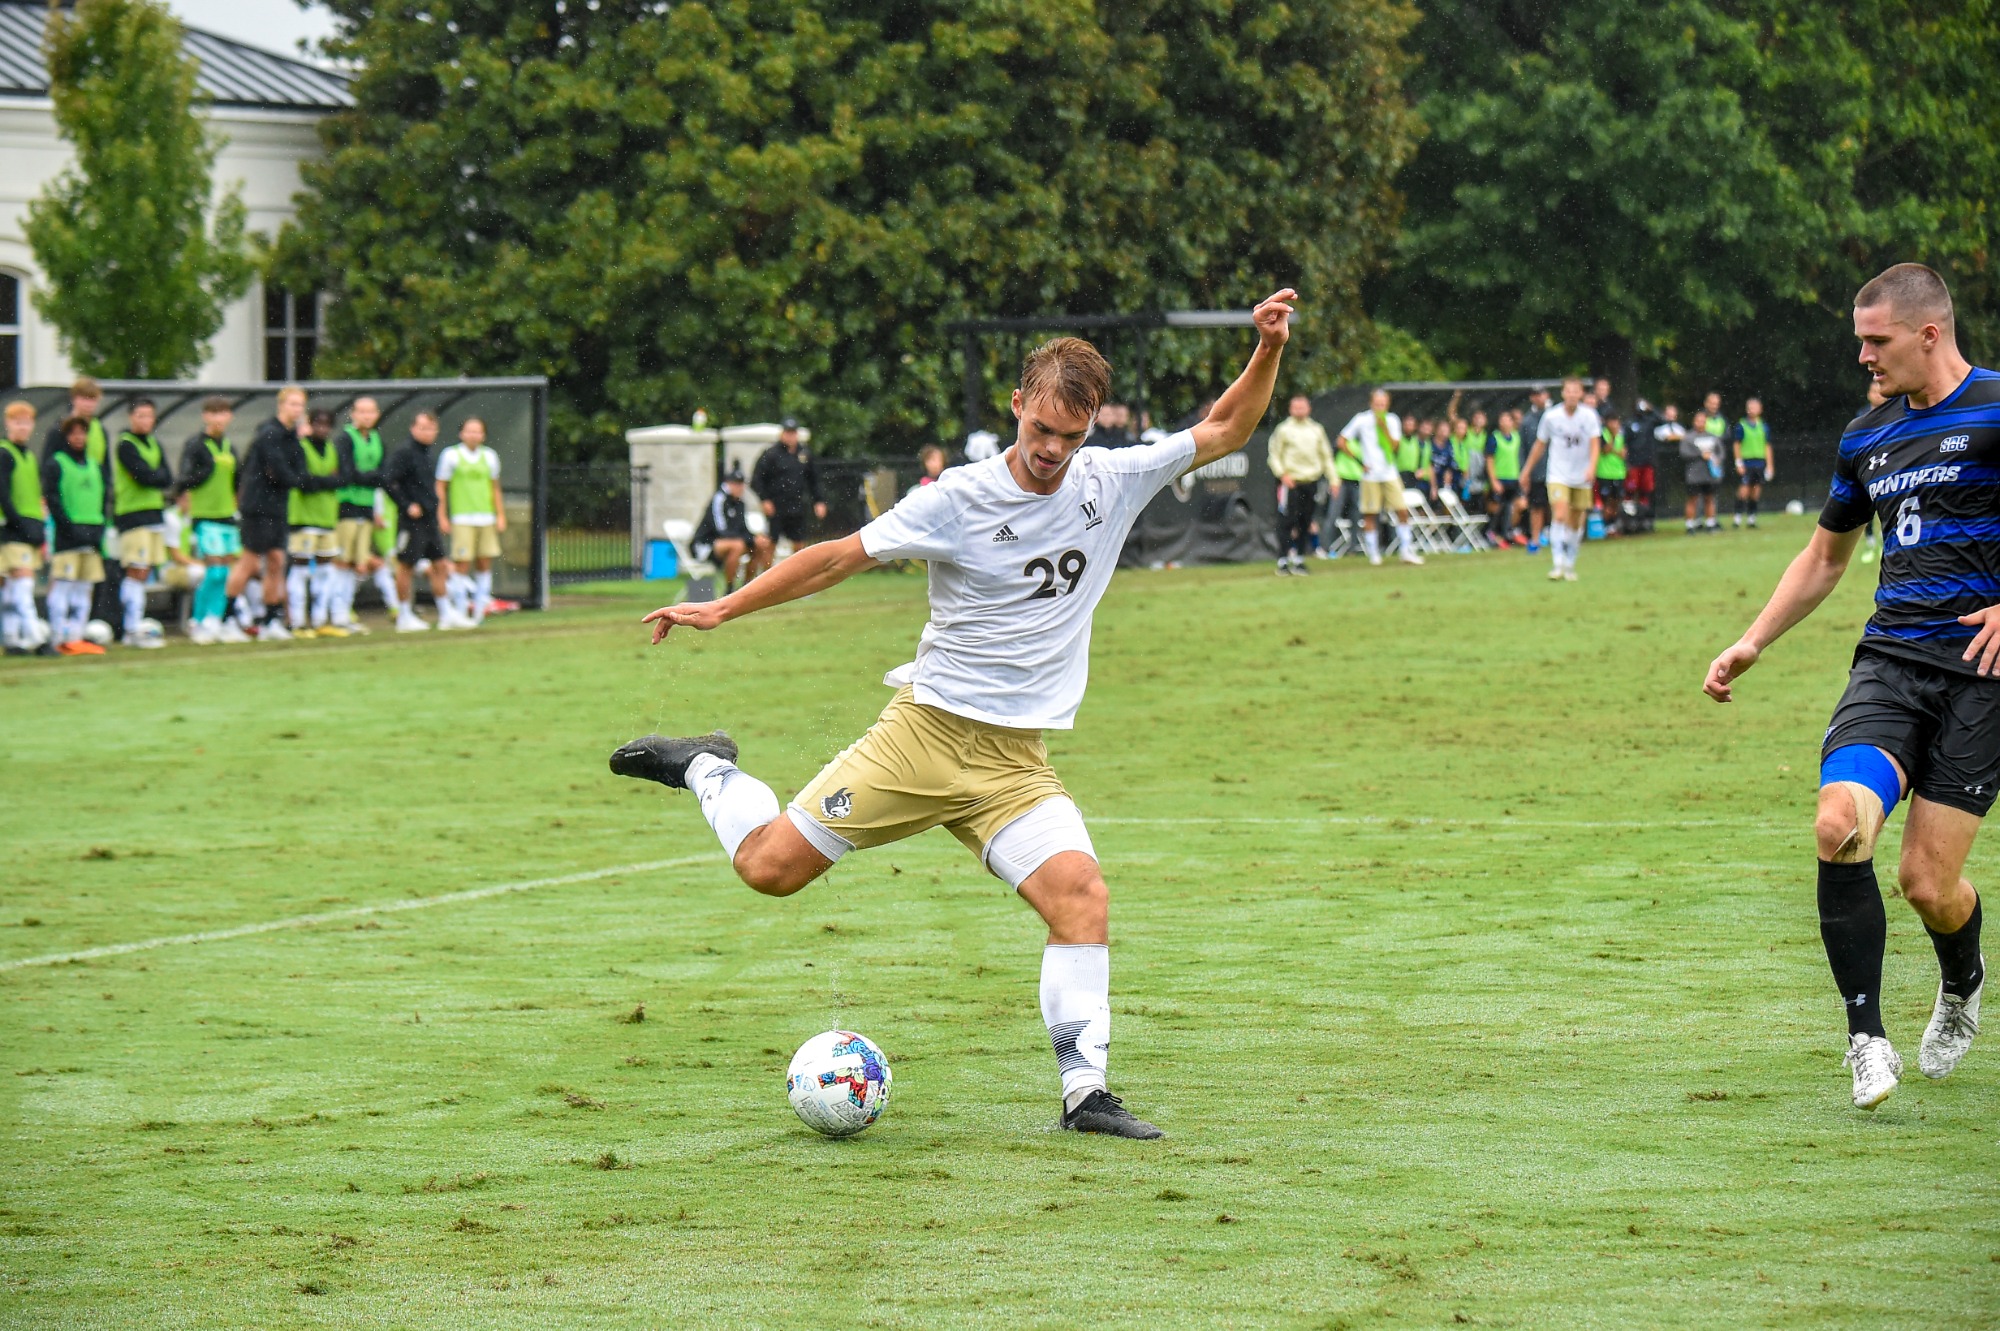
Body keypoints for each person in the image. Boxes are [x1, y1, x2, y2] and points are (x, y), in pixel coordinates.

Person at [611, 289, 1300, 1140]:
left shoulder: (1111, 479)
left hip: (1013, 766)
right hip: (924, 738)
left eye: (1070, 437)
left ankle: (1086, 1096)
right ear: (1017, 405)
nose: (1051, 451)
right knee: (769, 869)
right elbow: (836, 557)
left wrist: (1265, 348)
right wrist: (721, 607)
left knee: (1081, 898)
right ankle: (707, 764)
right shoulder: (958, 497)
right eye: (1040, 429)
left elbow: (1228, 428)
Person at [1703, 262, 1989, 1110]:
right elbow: (1826, 555)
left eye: (1877, 340)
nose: (1863, 356)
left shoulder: (1997, 408)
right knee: (1836, 823)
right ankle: (1866, 1037)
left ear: (1928, 334)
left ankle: (1963, 982)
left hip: (1982, 679)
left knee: (1928, 885)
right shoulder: (1867, 435)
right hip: (1891, 663)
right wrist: (1753, 639)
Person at [231, 385, 312, 642]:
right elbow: (280, 472)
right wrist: (293, 477)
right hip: (257, 506)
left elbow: (300, 471)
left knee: (277, 560)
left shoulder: (293, 437)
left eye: (300, 405)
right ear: (281, 406)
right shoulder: (268, 433)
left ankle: (269, 621)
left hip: (278, 506)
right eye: (292, 404)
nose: (296, 409)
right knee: (249, 561)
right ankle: (225, 619)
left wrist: (295, 475)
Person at [176, 396, 248, 645]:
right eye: (213, 414)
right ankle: (198, 620)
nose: (218, 419)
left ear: (229, 417)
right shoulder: (195, 445)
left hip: (226, 515)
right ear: (205, 416)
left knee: (225, 574)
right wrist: (201, 474)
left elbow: (237, 482)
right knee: (214, 571)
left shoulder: (229, 446)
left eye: (223, 414)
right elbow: (184, 478)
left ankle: (217, 620)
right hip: (205, 515)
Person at [1518, 377, 1601, 581]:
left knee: (1575, 522)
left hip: (1581, 476)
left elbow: (1595, 444)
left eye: (1576, 391)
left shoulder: (1589, 416)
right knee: (1560, 514)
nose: (1572, 394)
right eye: (1568, 390)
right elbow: (1539, 444)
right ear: (1563, 393)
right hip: (1557, 475)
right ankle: (1557, 564)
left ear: (1581, 394)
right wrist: (1526, 470)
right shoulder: (1551, 416)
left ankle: (1570, 564)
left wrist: (1591, 467)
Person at [41, 416, 106, 656]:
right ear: (65, 436)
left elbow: (102, 499)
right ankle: (58, 635)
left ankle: (76, 637)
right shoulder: (56, 464)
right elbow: (53, 499)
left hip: (91, 534)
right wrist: (68, 526)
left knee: (83, 589)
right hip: (68, 536)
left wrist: (98, 529)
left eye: (82, 433)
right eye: (74, 433)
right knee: (63, 587)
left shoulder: (94, 465)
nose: (79, 438)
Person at [110, 399, 173, 649]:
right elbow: (144, 475)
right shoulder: (125, 445)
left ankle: (134, 626)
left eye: (149, 416)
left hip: (153, 514)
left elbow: (166, 477)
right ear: (131, 417)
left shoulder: (155, 444)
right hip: (133, 514)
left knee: (144, 572)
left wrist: (154, 477)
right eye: (140, 415)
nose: (145, 420)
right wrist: (154, 477)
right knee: (135, 570)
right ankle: (130, 628)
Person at [1337, 389, 1424, 566]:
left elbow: (1395, 447)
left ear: (1388, 404)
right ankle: (1374, 554)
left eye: (1383, 404)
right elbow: (1341, 440)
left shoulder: (1392, 420)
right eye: (1377, 403)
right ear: (1371, 403)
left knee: (1401, 510)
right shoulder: (1361, 419)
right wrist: (1360, 462)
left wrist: (1383, 427)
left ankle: (1406, 551)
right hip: (1370, 476)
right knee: (1370, 514)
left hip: (1390, 473)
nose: (1380, 407)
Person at [383, 410, 452, 632]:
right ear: (413, 428)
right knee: (406, 566)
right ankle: (403, 616)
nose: (427, 432)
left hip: (430, 519)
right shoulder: (404, 453)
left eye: (431, 428)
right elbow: (388, 480)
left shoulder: (429, 454)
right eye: (422, 428)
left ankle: (445, 614)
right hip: (411, 521)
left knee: (440, 564)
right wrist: (406, 505)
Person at [435, 416, 505, 627]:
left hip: (486, 517)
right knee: (461, 564)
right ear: (461, 433)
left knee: (484, 562)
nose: (474, 435)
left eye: (478, 431)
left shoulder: (490, 456)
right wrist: (442, 516)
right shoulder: (451, 455)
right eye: (469, 431)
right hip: (462, 517)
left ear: (483, 435)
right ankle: (460, 609)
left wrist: (499, 515)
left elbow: (495, 487)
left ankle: (479, 610)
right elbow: (441, 487)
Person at [330, 396, 388, 633]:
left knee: (359, 563)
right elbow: (348, 473)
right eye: (361, 412)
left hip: (366, 507)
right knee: (342, 561)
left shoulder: (376, 439)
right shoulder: (345, 439)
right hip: (347, 506)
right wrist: (372, 478)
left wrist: (372, 479)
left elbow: (384, 471)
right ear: (353, 414)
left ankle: (345, 611)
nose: (366, 416)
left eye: (370, 412)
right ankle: (336, 613)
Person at [286, 409, 344, 635]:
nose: (323, 429)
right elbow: (302, 481)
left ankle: (320, 620)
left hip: (326, 517)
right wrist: (327, 481)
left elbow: (341, 478)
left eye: (327, 425)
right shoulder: (301, 447)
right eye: (318, 424)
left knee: (326, 570)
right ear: (310, 424)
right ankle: (298, 622)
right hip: (303, 517)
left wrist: (322, 481)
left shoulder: (331, 448)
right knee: (300, 570)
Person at [0, 401, 50, 654]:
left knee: (10, 586)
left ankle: (11, 639)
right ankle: (36, 639)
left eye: (27, 422)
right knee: (23, 584)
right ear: (8, 423)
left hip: (27, 526)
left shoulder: (29, 456)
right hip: (11, 528)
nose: (22, 427)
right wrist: (18, 523)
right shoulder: (3, 452)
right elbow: (3, 494)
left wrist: (37, 525)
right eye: (17, 421)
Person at [1267, 394, 1334, 576]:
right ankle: (1282, 560)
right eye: (1296, 407)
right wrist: (1283, 475)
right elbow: (1274, 454)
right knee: (1287, 521)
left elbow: (1325, 455)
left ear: (1308, 409)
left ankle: (1299, 559)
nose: (1299, 411)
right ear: (1290, 409)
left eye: (1302, 407)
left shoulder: (1316, 430)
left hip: (1310, 481)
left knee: (1305, 520)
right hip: (1290, 482)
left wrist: (1333, 479)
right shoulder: (1284, 430)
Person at [749, 419, 826, 553]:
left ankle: (797, 572)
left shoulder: (804, 454)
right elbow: (757, 480)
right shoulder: (771, 454)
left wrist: (819, 501)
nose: (790, 436)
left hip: (797, 505)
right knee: (770, 542)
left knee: (799, 542)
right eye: (787, 433)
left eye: (793, 433)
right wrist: (764, 499)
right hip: (776, 506)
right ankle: (769, 572)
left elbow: (814, 479)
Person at [691, 464, 769, 592]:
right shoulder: (719, 499)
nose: (740, 488)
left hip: (730, 541)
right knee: (737, 545)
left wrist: (753, 539)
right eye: (736, 484)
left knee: (760, 545)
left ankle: (746, 587)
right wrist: (749, 539)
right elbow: (721, 530)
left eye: (741, 484)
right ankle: (730, 589)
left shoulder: (740, 503)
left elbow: (742, 528)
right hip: (706, 544)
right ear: (728, 484)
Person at [1484, 410, 1528, 547]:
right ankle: (1491, 533)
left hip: (1513, 479)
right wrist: (1493, 480)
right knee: (1496, 508)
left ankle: (1510, 530)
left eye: (1508, 419)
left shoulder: (1516, 437)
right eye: (1503, 420)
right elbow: (1489, 460)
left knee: (1521, 504)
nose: (1506, 422)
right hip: (1499, 478)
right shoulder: (1494, 438)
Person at [1730, 396, 1774, 528]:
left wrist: (1770, 465)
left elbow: (1767, 446)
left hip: (1759, 462)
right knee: (1743, 491)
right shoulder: (1741, 425)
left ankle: (1751, 518)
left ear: (1760, 409)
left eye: (1755, 407)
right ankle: (1737, 518)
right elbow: (1736, 444)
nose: (1752, 410)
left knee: (1756, 491)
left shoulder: (1763, 426)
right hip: (1747, 462)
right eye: (1750, 407)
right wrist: (1738, 462)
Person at [1683, 407, 1724, 533]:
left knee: (1709, 498)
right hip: (1694, 474)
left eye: (1703, 421)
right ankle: (1690, 525)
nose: (1700, 423)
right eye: (1698, 421)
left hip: (1709, 474)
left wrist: (1717, 459)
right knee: (1693, 499)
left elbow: (1720, 452)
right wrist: (1700, 455)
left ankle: (1710, 523)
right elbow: (1684, 453)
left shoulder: (1712, 437)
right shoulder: (1688, 437)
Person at [1624, 398, 1660, 531]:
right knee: (1631, 491)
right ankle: (1631, 520)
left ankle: (1645, 518)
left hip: (1647, 463)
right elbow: (1625, 444)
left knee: (1646, 491)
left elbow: (1661, 420)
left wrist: (1651, 409)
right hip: (1634, 464)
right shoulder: (1629, 424)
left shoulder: (1649, 421)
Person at [1594, 412, 1625, 538]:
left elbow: (1623, 454)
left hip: (1618, 473)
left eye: (1616, 422)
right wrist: (1612, 440)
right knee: (1606, 502)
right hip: (1604, 473)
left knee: (1616, 501)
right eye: (1612, 422)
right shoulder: (1602, 435)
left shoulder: (1621, 436)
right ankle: (1606, 527)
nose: (1614, 425)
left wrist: (1614, 450)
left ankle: (1612, 525)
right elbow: (1605, 451)